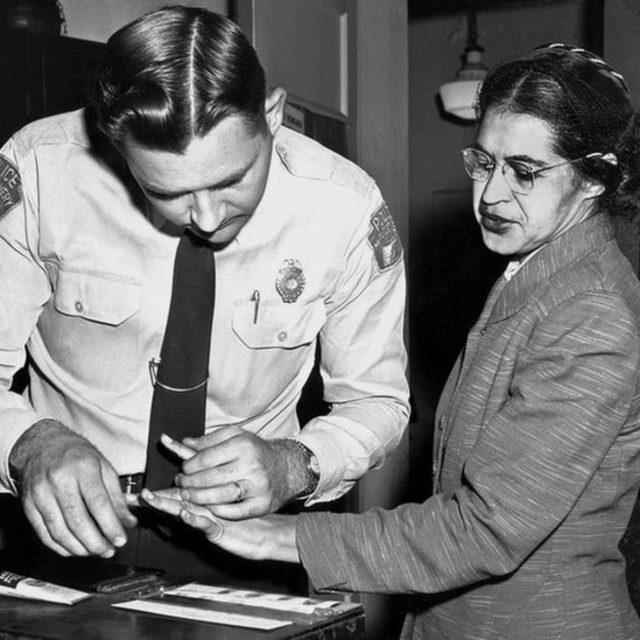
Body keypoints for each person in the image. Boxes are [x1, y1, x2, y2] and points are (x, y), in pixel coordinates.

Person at [145, 43, 640, 639]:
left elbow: (485, 531)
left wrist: (277, 536)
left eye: (524, 172)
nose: (491, 195)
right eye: (483, 162)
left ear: (595, 178)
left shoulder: (590, 314)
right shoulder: (540, 274)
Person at [0, 5, 409, 582]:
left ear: (272, 113)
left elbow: (379, 401)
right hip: (64, 533)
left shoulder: (344, 209)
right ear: (116, 147)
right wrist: (30, 444)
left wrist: (294, 464)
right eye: (168, 191)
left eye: (232, 179)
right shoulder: (40, 171)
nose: (210, 217)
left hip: (253, 542)